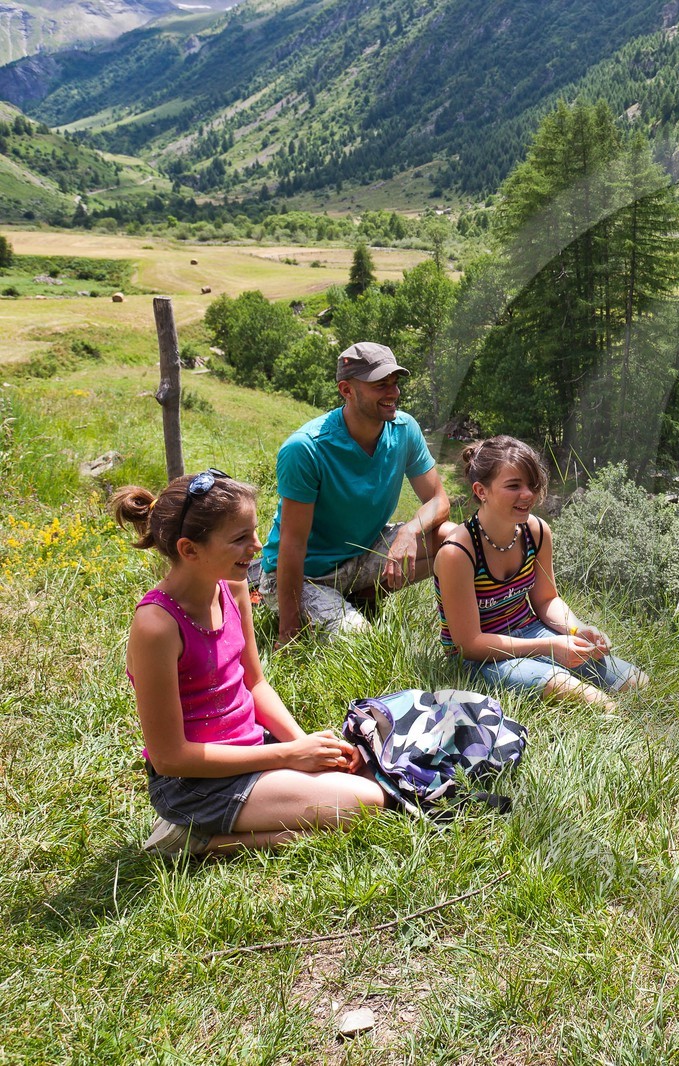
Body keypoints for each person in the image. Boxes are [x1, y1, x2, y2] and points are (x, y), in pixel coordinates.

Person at [112, 471, 387, 857]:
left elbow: (254, 684)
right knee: (368, 804)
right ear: (189, 549)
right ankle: (196, 841)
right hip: (194, 784)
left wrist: (304, 745)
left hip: (251, 747)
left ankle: (246, 818)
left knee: (372, 774)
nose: (256, 547)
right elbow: (169, 757)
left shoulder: (233, 586)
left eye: (254, 532)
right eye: (240, 538)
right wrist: (289, 756)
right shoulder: (157, 626)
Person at [258, 341, 451, 646]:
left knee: (453, 539)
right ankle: (337, 608)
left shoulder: (404, 429)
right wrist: (288, 632)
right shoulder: (306, 448)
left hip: (360, 553)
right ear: (346, 390)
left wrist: (409, 531)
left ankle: (369, 596)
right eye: (380, 384)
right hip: (307, 575)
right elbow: (292, 546)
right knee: (364, 645)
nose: (393, 393)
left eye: (395, 382)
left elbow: (439, 500)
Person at [433, 436, 646, 711]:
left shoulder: (537, 532)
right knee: (592, 700)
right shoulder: (458, 553)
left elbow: (546, 600)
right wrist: (549, 647)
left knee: (635, 683)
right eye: (514, 486)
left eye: (533, 485)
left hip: (532, 631)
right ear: (481, 491)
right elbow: (469, 644)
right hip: (480, 656)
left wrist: (577, 629)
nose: (528, 495)